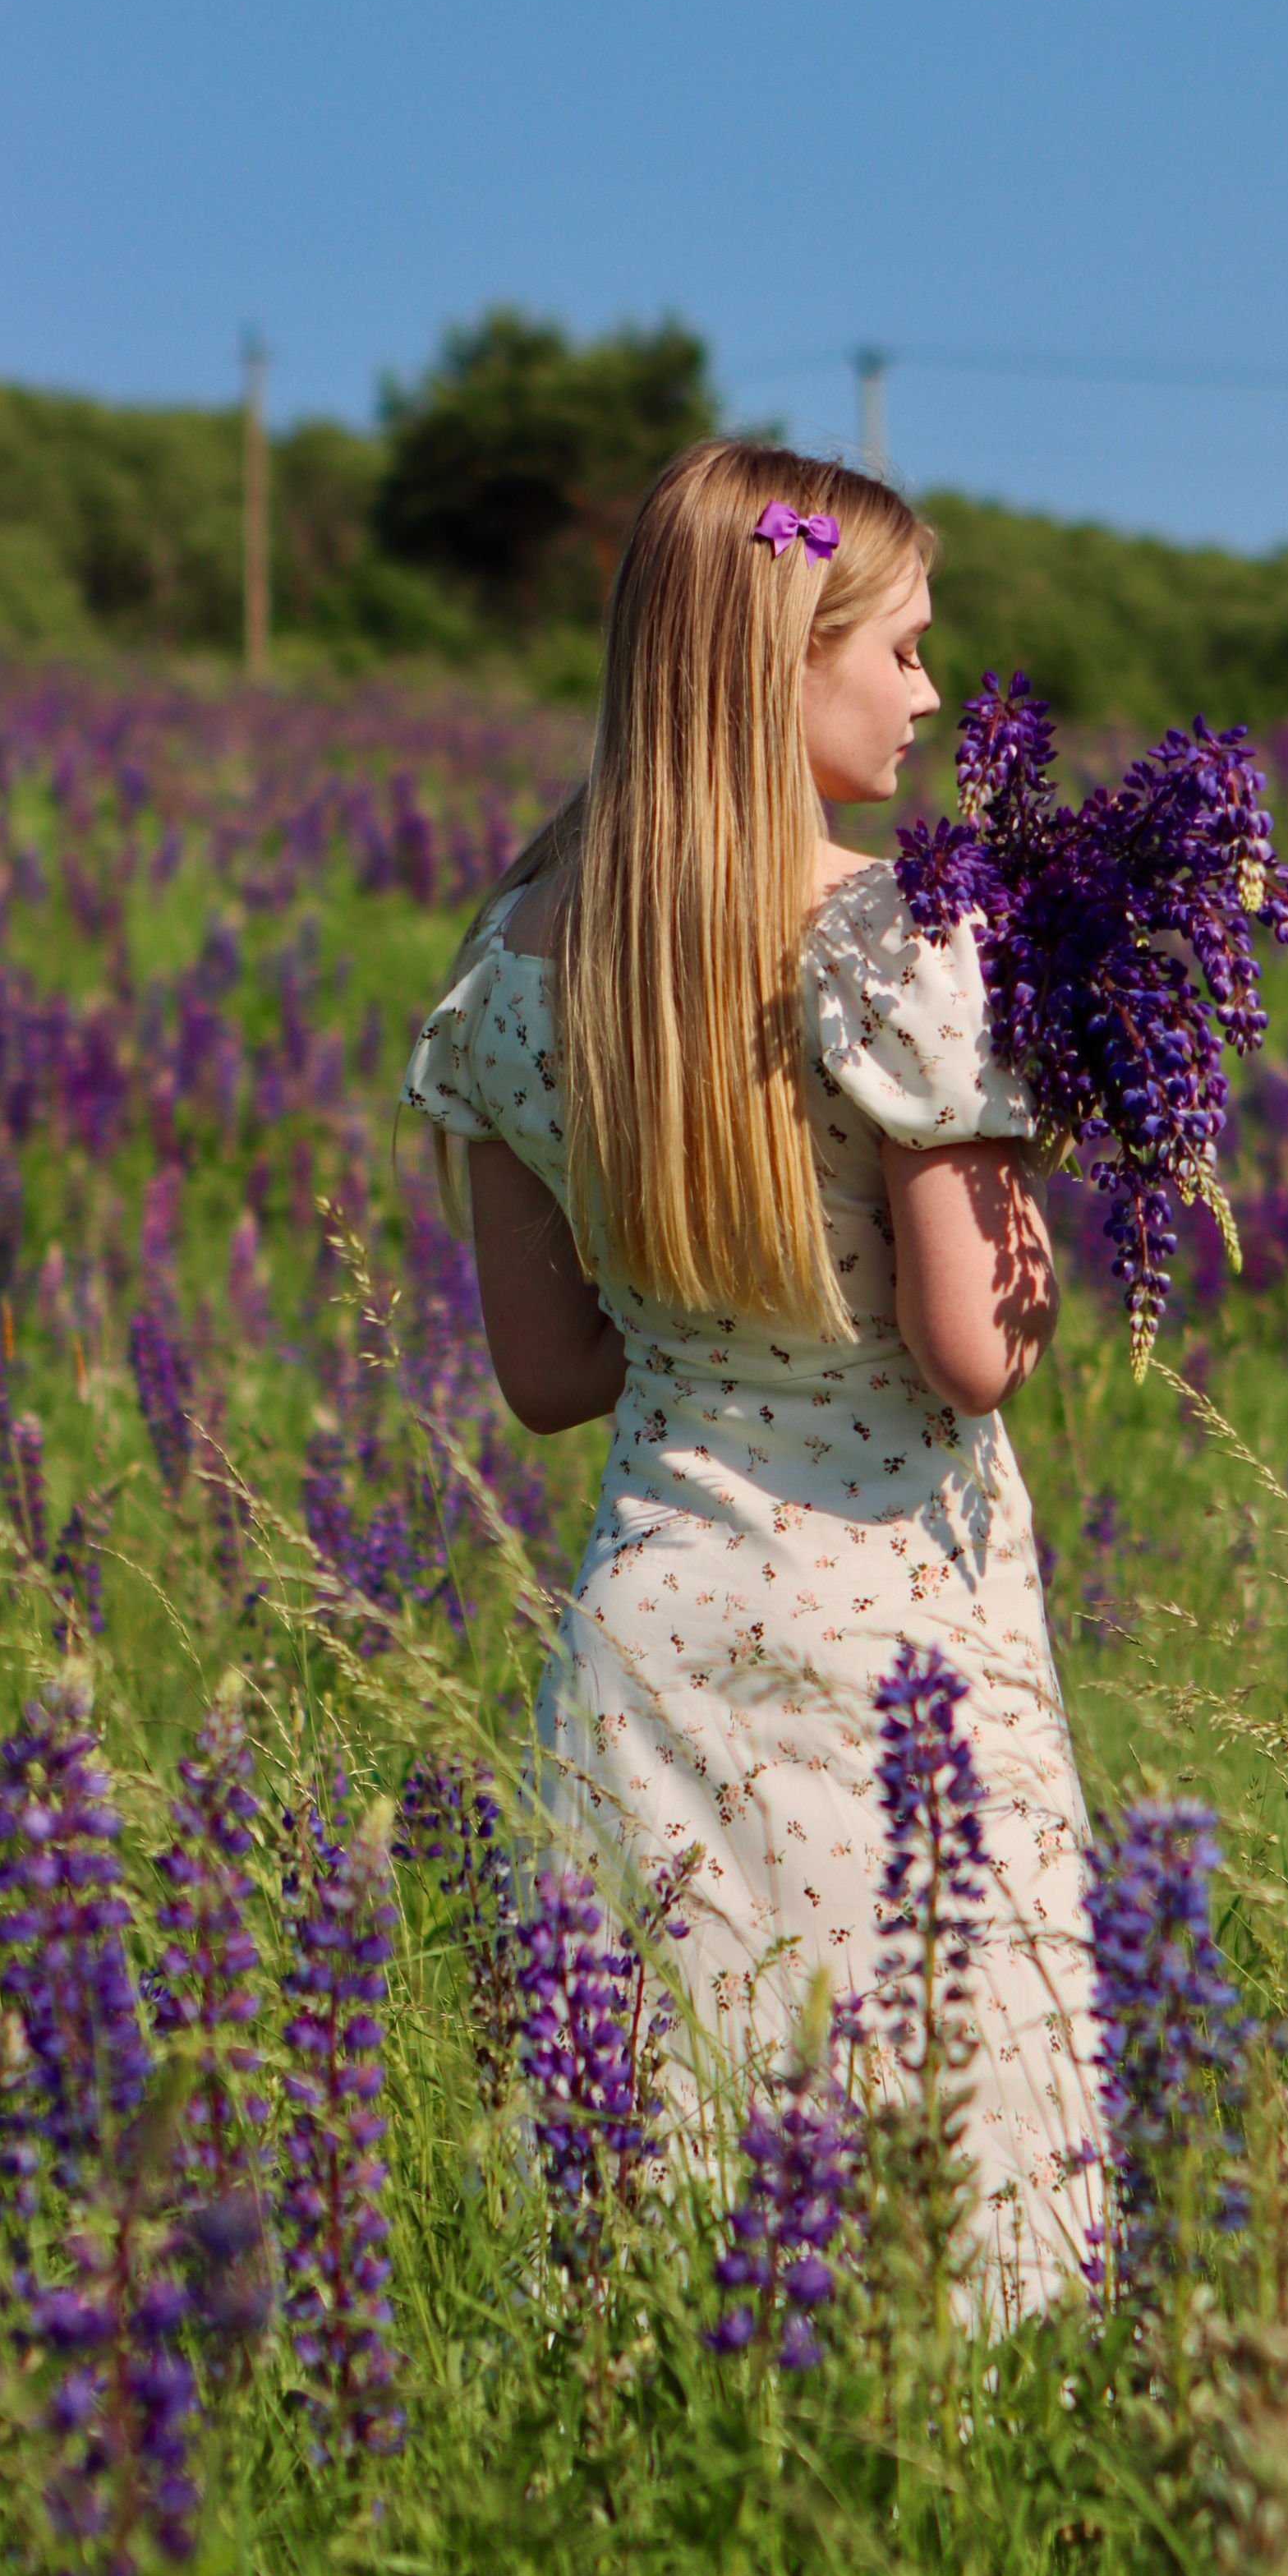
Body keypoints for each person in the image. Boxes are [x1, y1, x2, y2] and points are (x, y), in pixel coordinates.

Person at [400, 439, 1102, 2314]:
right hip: (908, 1651)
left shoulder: (519, 961)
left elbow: (547, 1374)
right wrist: (1031, 1144)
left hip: (654, 1632)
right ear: (782, 657)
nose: (931, 693)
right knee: (954, 2161)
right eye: (897, 648)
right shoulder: (908, 940)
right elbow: (969, 1358)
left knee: (668, 2159)